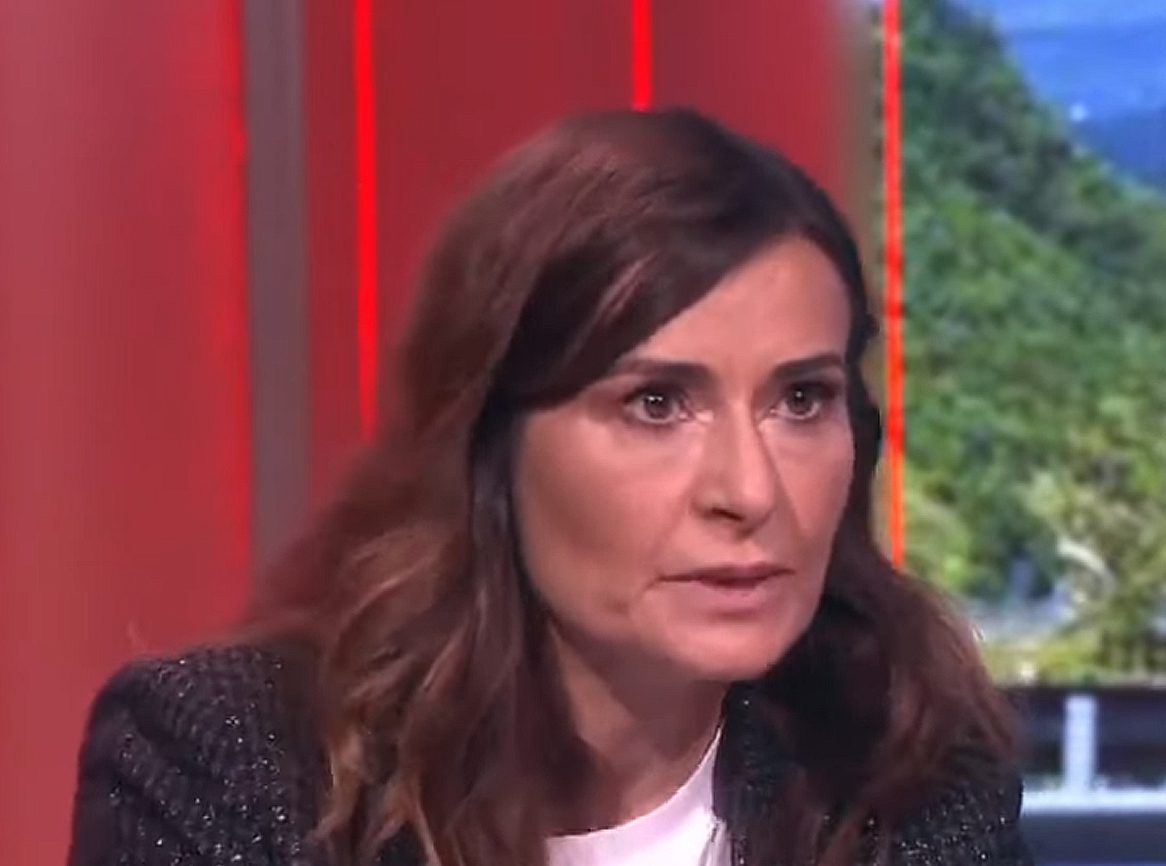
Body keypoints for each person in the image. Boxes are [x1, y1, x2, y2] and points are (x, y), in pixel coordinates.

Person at [68, 108, 1032, 866]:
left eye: (801, 400)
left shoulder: (908, 775)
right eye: (657, 403)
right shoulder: (234, 765)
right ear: (489, 442)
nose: (750, 491)